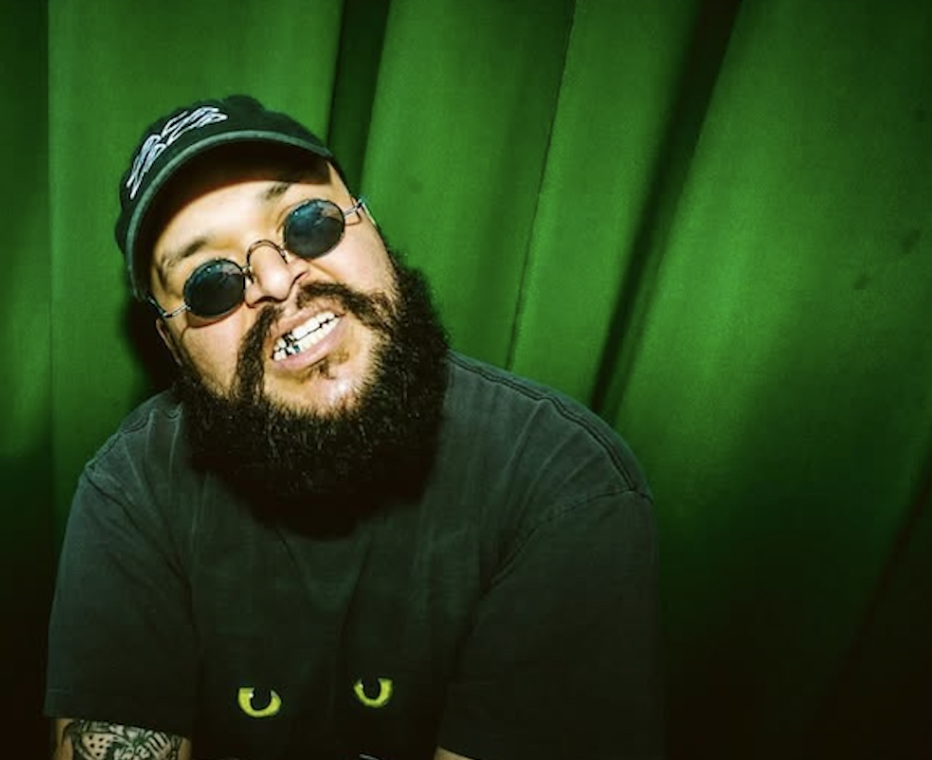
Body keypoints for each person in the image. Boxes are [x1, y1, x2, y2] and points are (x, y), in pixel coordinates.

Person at [45, 95, 663, 760]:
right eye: (209, 284)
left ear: (371, 227)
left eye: (308, 222)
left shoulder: (562, 480)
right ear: (173, 347)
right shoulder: (131, 494)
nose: (276, 281)